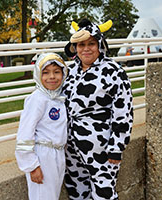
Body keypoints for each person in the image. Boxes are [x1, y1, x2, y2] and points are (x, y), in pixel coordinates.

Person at [62, 18, 133, 200]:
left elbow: (123, 112)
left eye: (91, 44)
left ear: (100, 44)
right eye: (81, 44)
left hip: (101, 149)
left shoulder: (114, 71)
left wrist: (116, 147)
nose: (86, 49)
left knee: (104, 192)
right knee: (77, 191)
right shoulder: (71, 72)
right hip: (71, 147)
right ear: (74, 47)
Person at [15, 53, 68, 200]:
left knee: (53, 195)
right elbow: (25, 134)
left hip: (57, 155)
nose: (52, 77)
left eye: (57, 72)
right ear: (38, 75)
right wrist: (32, 166)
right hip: (43, 156)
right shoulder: (37, 99)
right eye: (46, 72)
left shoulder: (59, 98)